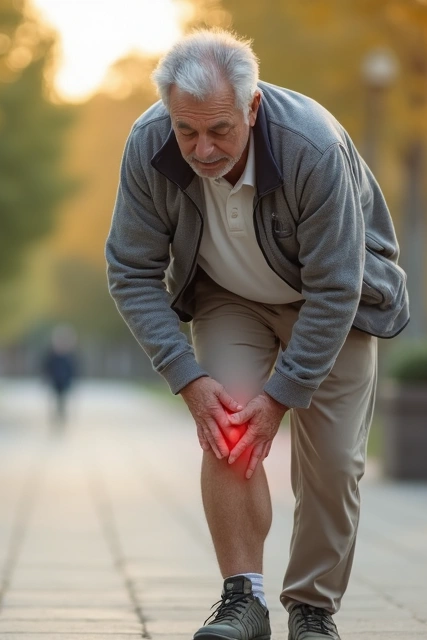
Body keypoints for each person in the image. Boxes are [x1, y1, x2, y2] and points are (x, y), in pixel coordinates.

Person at [104, 29, 409, 640]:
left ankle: (312, 609)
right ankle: (243, 600)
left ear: (252, 106)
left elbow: (337, 285)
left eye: (219, 129)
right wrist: (188, 379)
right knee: (229, 430)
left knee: (335, 464)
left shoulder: (311, 146)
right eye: (186, 130)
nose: (202, 148)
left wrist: (282, 396)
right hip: (228, 296)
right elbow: (130, 271)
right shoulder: (148, 143)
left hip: (330, 302)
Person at [42, 324, 78, 432]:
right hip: (55, 381)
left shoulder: (69, 355)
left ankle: (61, 415)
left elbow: (73, 368)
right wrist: (46, 377)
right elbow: (47, 367)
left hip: (65, 381)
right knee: (56, 398)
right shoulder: (52, 354)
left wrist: (72, 379)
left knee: (62, 399)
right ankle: (57, 415)